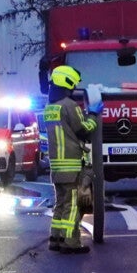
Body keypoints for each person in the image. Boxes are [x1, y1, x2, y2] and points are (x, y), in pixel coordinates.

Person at [42, 64, 98, 254]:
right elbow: (83, 130)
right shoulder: (69, 105)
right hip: (72, 165)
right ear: (67, 84)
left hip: (56, 166)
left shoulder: (50, 107)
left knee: (61, 204)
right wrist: (94, 115)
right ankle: (70, 242)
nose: (73, 89)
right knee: (73, 206)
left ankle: (55, 239)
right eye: (72, 85)